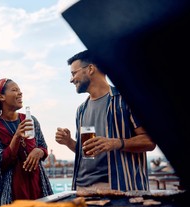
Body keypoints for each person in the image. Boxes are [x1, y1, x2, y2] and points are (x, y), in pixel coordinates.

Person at [55, 50, 156, 192]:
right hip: (81, 188)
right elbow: (86, 151)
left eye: (73, 73)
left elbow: (150, 141)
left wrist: (115, 143)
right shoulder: (81, 110)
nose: (71, 80)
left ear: (90, 69)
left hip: (117, 187)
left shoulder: (126, 100)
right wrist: (69, 142)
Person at [0, 78, 53, 206]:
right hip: (13, 191)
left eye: (20, 90)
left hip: (38, 185)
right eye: (14, 90)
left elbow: (43, 147)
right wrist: (17, 136)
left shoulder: (30, 119)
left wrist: (38, 151)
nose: (20, 93)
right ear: (1, 97)